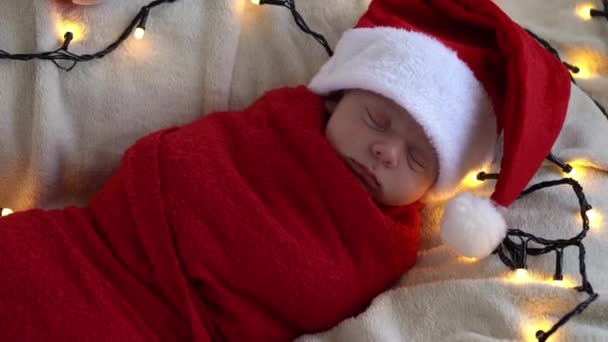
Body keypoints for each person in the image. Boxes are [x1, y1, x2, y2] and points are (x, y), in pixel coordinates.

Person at [0, 0, 570, 340]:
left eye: (418, 157)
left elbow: (309, 291)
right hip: (91, 248)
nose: (386, 151)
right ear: (338, 97)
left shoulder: (383, 244)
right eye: (375, 119)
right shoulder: (277, 123)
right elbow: (179, 164)